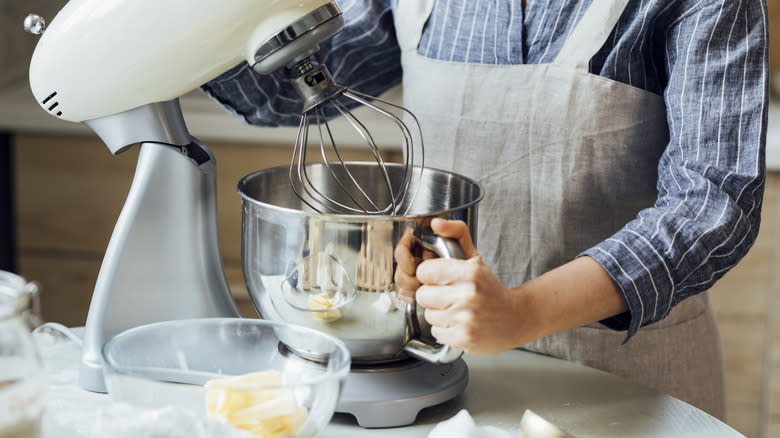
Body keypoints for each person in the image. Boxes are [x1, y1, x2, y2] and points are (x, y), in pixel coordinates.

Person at [202, 0, 769, 420]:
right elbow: (276, 89)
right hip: (442, 383)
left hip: (627, 386)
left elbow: (714, 201)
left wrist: (522, 312)